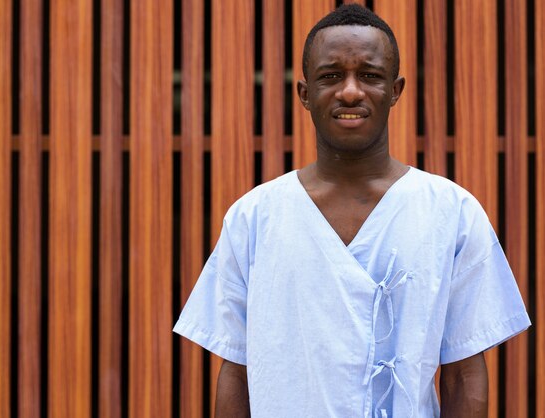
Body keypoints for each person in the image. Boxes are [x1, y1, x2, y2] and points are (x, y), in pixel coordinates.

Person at [173, 4, 530, 417]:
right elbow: (236, 371)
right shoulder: (255, 217)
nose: (350, 91)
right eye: (330, 76)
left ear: (395, 90)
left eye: (369, 75)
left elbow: (464, 373)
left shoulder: (451, 212)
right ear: (304, 94)